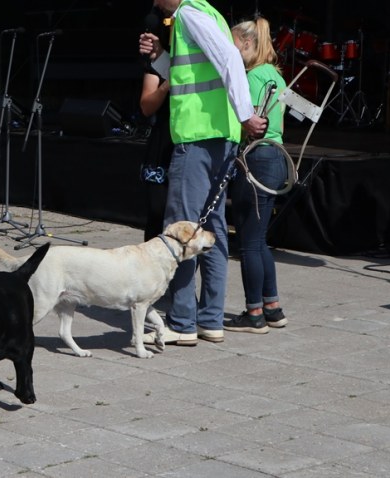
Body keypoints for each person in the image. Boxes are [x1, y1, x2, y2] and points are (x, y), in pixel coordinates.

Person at [139, 0, 267, 346]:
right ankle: (210, 320)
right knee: (213, 231)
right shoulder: (201, 13)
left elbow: (228, 59)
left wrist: (245, 114)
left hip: (197, 139)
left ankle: (182, 322)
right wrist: (159, 57)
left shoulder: (190, 15)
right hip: (217, 136)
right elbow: (191, 74)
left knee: (181, 228)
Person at [225, 17, 289, 333]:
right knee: (259, 239)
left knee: (249, 242)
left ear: (248, 44)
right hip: (276, 156)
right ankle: (272, 307)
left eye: (233, 45)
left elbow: (246, 120)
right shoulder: (274, 75)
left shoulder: (249, 77)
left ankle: (254, 313)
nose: (230, 52)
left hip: (257, 158)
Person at [139, 11, 173, 241]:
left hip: (188, 141)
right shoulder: (158, 67)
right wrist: (166, 86)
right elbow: (146, 107)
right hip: (162, 142)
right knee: (157, 211)